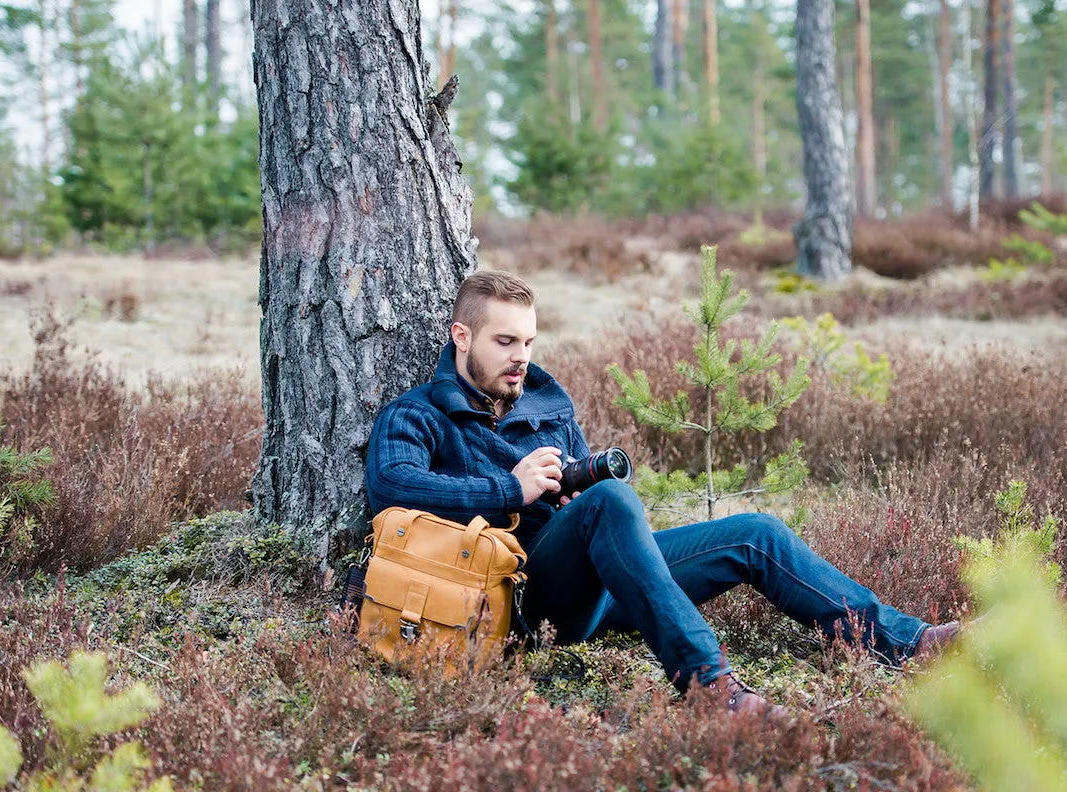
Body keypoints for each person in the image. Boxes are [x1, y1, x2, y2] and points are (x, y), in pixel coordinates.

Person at [365, 270, 960, 718]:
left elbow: (588, 492)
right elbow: (392, 488)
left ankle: (908, 642)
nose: (520, 357)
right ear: (462, 335)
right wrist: (510, 489)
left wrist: (577, 494)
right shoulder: (417, 415)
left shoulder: (547, 403)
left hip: (601, 582)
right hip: (522, 599)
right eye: (503, 342)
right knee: (612, 503)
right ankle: (710, 688)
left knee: (755, 533)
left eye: (528, 341)